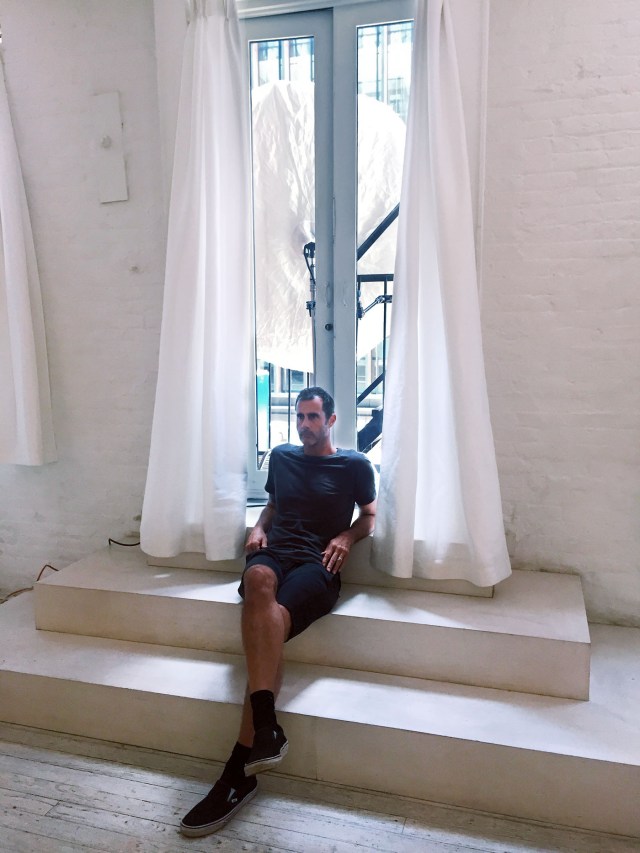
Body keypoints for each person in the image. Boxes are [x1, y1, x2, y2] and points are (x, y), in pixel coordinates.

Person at [180, 386, 377, 837]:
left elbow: (369, 513)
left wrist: (345, 537)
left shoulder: (354, 465)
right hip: (275, 552)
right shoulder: (283, 457)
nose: (305, 425)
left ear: (331, 420)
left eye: (313, 417)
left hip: (316, 565)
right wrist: (258, 527)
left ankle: (238, 771)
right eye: (300, 417)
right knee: (256, 582)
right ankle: (267, 727)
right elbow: (272, 505)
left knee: (270, 625)